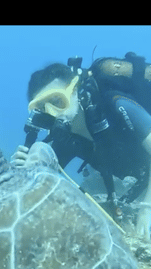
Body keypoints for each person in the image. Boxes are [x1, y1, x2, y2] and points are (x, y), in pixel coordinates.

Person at [16, 53, 151, 238]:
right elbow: (37, 192)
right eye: (43, 108)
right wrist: (20, 172)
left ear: (75, 89)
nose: (53, 113)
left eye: (57, 101)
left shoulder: (116, 104)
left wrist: (146, 210)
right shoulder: (65, 140)